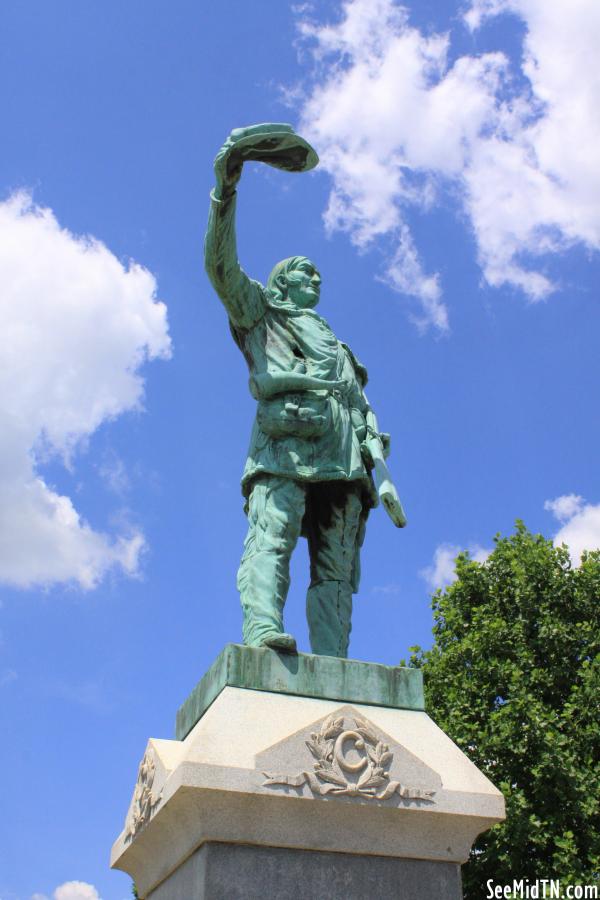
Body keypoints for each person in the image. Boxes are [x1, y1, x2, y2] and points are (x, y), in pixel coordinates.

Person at [205, 125, 403, 658]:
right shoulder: (263, 315)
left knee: (337, 569)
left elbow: (360, 407)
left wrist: (373, 446)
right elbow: (221, 270)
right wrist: (225, 190)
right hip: (286, 446)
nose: (314, 276)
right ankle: (264, 630)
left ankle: (334, 662)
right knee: (271, 539)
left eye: (316, 272)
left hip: (344, 460)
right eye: (302, 270)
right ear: (281, 283)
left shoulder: (340, 347)